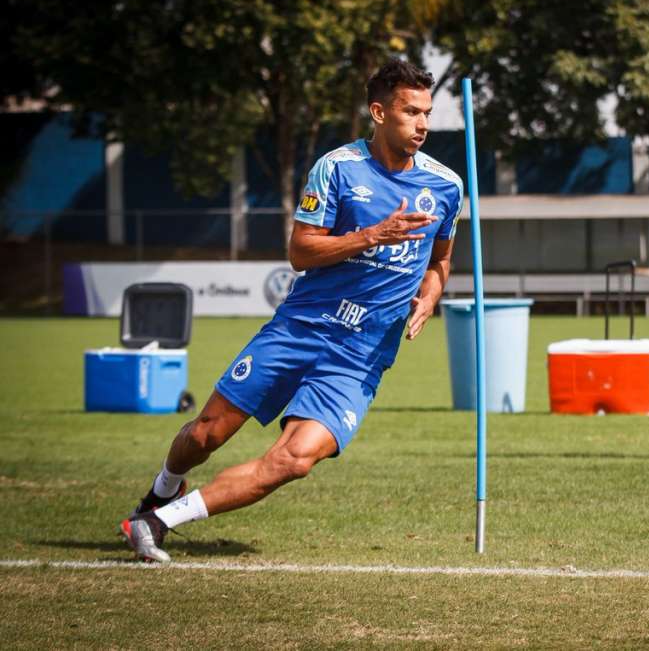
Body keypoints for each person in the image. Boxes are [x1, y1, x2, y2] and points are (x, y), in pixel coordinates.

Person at [120, 58, 463, 562]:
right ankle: (163, 488)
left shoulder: (446, 187)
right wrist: (373, 235)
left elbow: (442, 261)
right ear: (378, 112)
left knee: (295, 461)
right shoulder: (337, 168)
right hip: (300, 330)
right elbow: (301, 252)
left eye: (427, 113)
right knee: (206, 432)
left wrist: (432, 294)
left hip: (360, 356)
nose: (423, 124)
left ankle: (154, 523)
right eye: (411, 112)